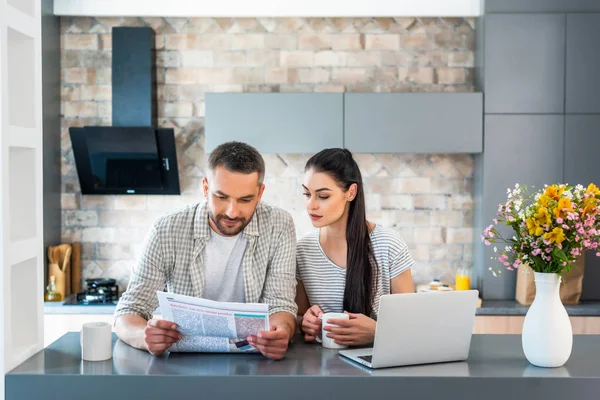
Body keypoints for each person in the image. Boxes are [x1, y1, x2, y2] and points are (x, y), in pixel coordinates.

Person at [114, 141, 297, 360]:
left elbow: (281, 304)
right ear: (205, 188)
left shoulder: (280, 225)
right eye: (221, 197)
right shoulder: (167, 229)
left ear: (260, 194)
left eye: (245, 200)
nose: (232, 212)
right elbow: (128, 311)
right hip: (182, 365)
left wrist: (280, 332)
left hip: (252, 361)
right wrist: (144, 336)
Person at [296, 148, 415, 347]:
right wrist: (304, 323)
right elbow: (300, 316)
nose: (311, 205)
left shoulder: (389, 245)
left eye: (323, 196)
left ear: (350, 192)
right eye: (307, 194)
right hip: (322, 367)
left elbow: (411, 323)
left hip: (378, 365)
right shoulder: (302, 251)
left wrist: (378, 332)